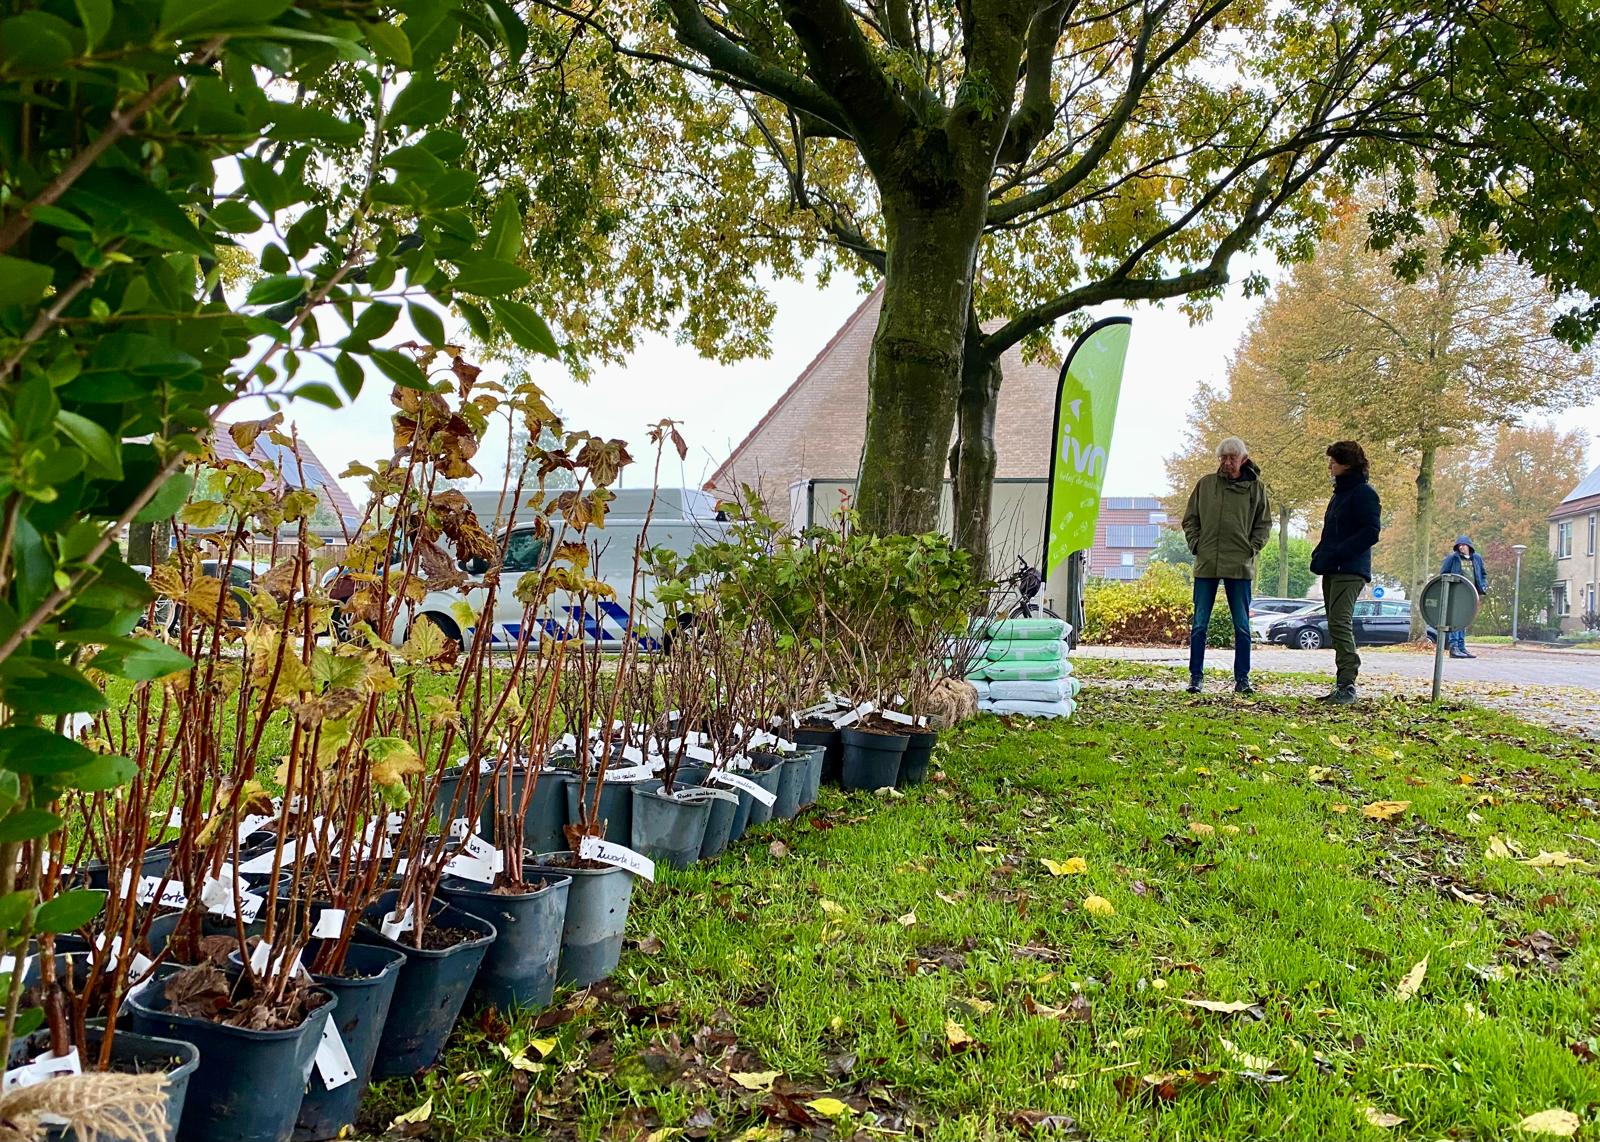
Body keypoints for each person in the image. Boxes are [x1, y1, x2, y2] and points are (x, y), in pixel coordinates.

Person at [1181, 436, 1271, 695]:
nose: (1227, 462)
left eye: (1232, 458)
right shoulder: (1205, 485)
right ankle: (1195, 677)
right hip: (1207, 562)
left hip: (1240, 565)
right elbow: (1190, 519)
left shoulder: (1257, 489)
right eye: (1223, 458)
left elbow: (1264, 524)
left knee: (1242, 626)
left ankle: (1242, 679)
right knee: (1199, 625)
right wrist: (1196, 544)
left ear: (1243, 459)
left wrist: (1251, 548)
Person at [1308, 441, 1382, 704]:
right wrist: (1321, 554)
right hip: (1334, 567)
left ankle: (1347, 684)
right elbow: (1332, 532)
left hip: (1350, 569)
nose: (1330, 466)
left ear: (1347, 463)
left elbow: (1371, 531)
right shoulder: (1340, 494)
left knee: (1340, 622)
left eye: (1334, 462)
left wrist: (1339, 553)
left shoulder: (1363, 494)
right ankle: (1343, 683)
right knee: (1336, 622)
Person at [1439, 536, 1488, 658]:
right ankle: (1453, 647)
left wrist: (1483, 585)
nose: (1461, 547)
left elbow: (1483, 573)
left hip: (1471, 593)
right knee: (1456, 620)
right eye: (1459, 545)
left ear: (1469, 546)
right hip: (1456, 593)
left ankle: (1462, 647)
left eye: (1463, 545)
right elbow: (1443, 574)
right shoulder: (1452, 558)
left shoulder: (1476, 558)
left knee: (1465, 620)